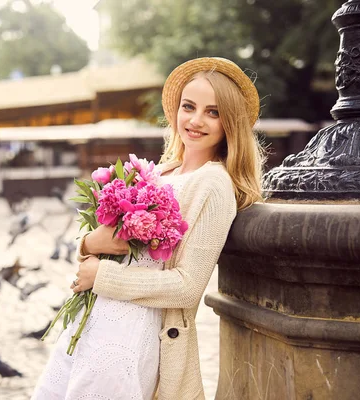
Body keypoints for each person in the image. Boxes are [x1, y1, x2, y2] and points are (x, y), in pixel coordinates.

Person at [31, 57, 265, 400]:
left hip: (130, 331)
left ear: (230, 122)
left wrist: (102, 277)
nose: (196, 120)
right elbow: (110, 243)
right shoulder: (160, 171)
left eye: (213, 112)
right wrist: (88, 244)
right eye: (189, 107)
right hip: (93, 321)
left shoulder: (214, 184)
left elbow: (187, 286)